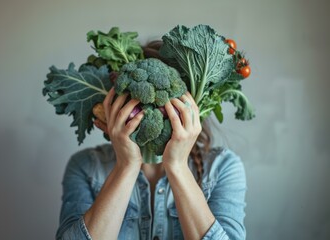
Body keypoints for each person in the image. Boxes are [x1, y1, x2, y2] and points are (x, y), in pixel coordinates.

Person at [55, 42, 247, 240]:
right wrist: (126, 166)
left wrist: (177, 166)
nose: (150, 110)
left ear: (191, 107)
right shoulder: (85, 167)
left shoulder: (223, 168)